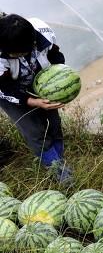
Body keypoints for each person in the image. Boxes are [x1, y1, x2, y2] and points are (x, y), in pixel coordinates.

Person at [0, 14, 72, 183]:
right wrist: (31, 101)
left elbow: (56, 56)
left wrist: (59, 82)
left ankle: (59, 157)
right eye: (12, 54)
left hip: (41, 81)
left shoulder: (42, 32)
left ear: (32, 44)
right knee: (34, 131)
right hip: (9, 91)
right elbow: (5, 88)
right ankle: (58, 171)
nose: (14, 55)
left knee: (53, 123)